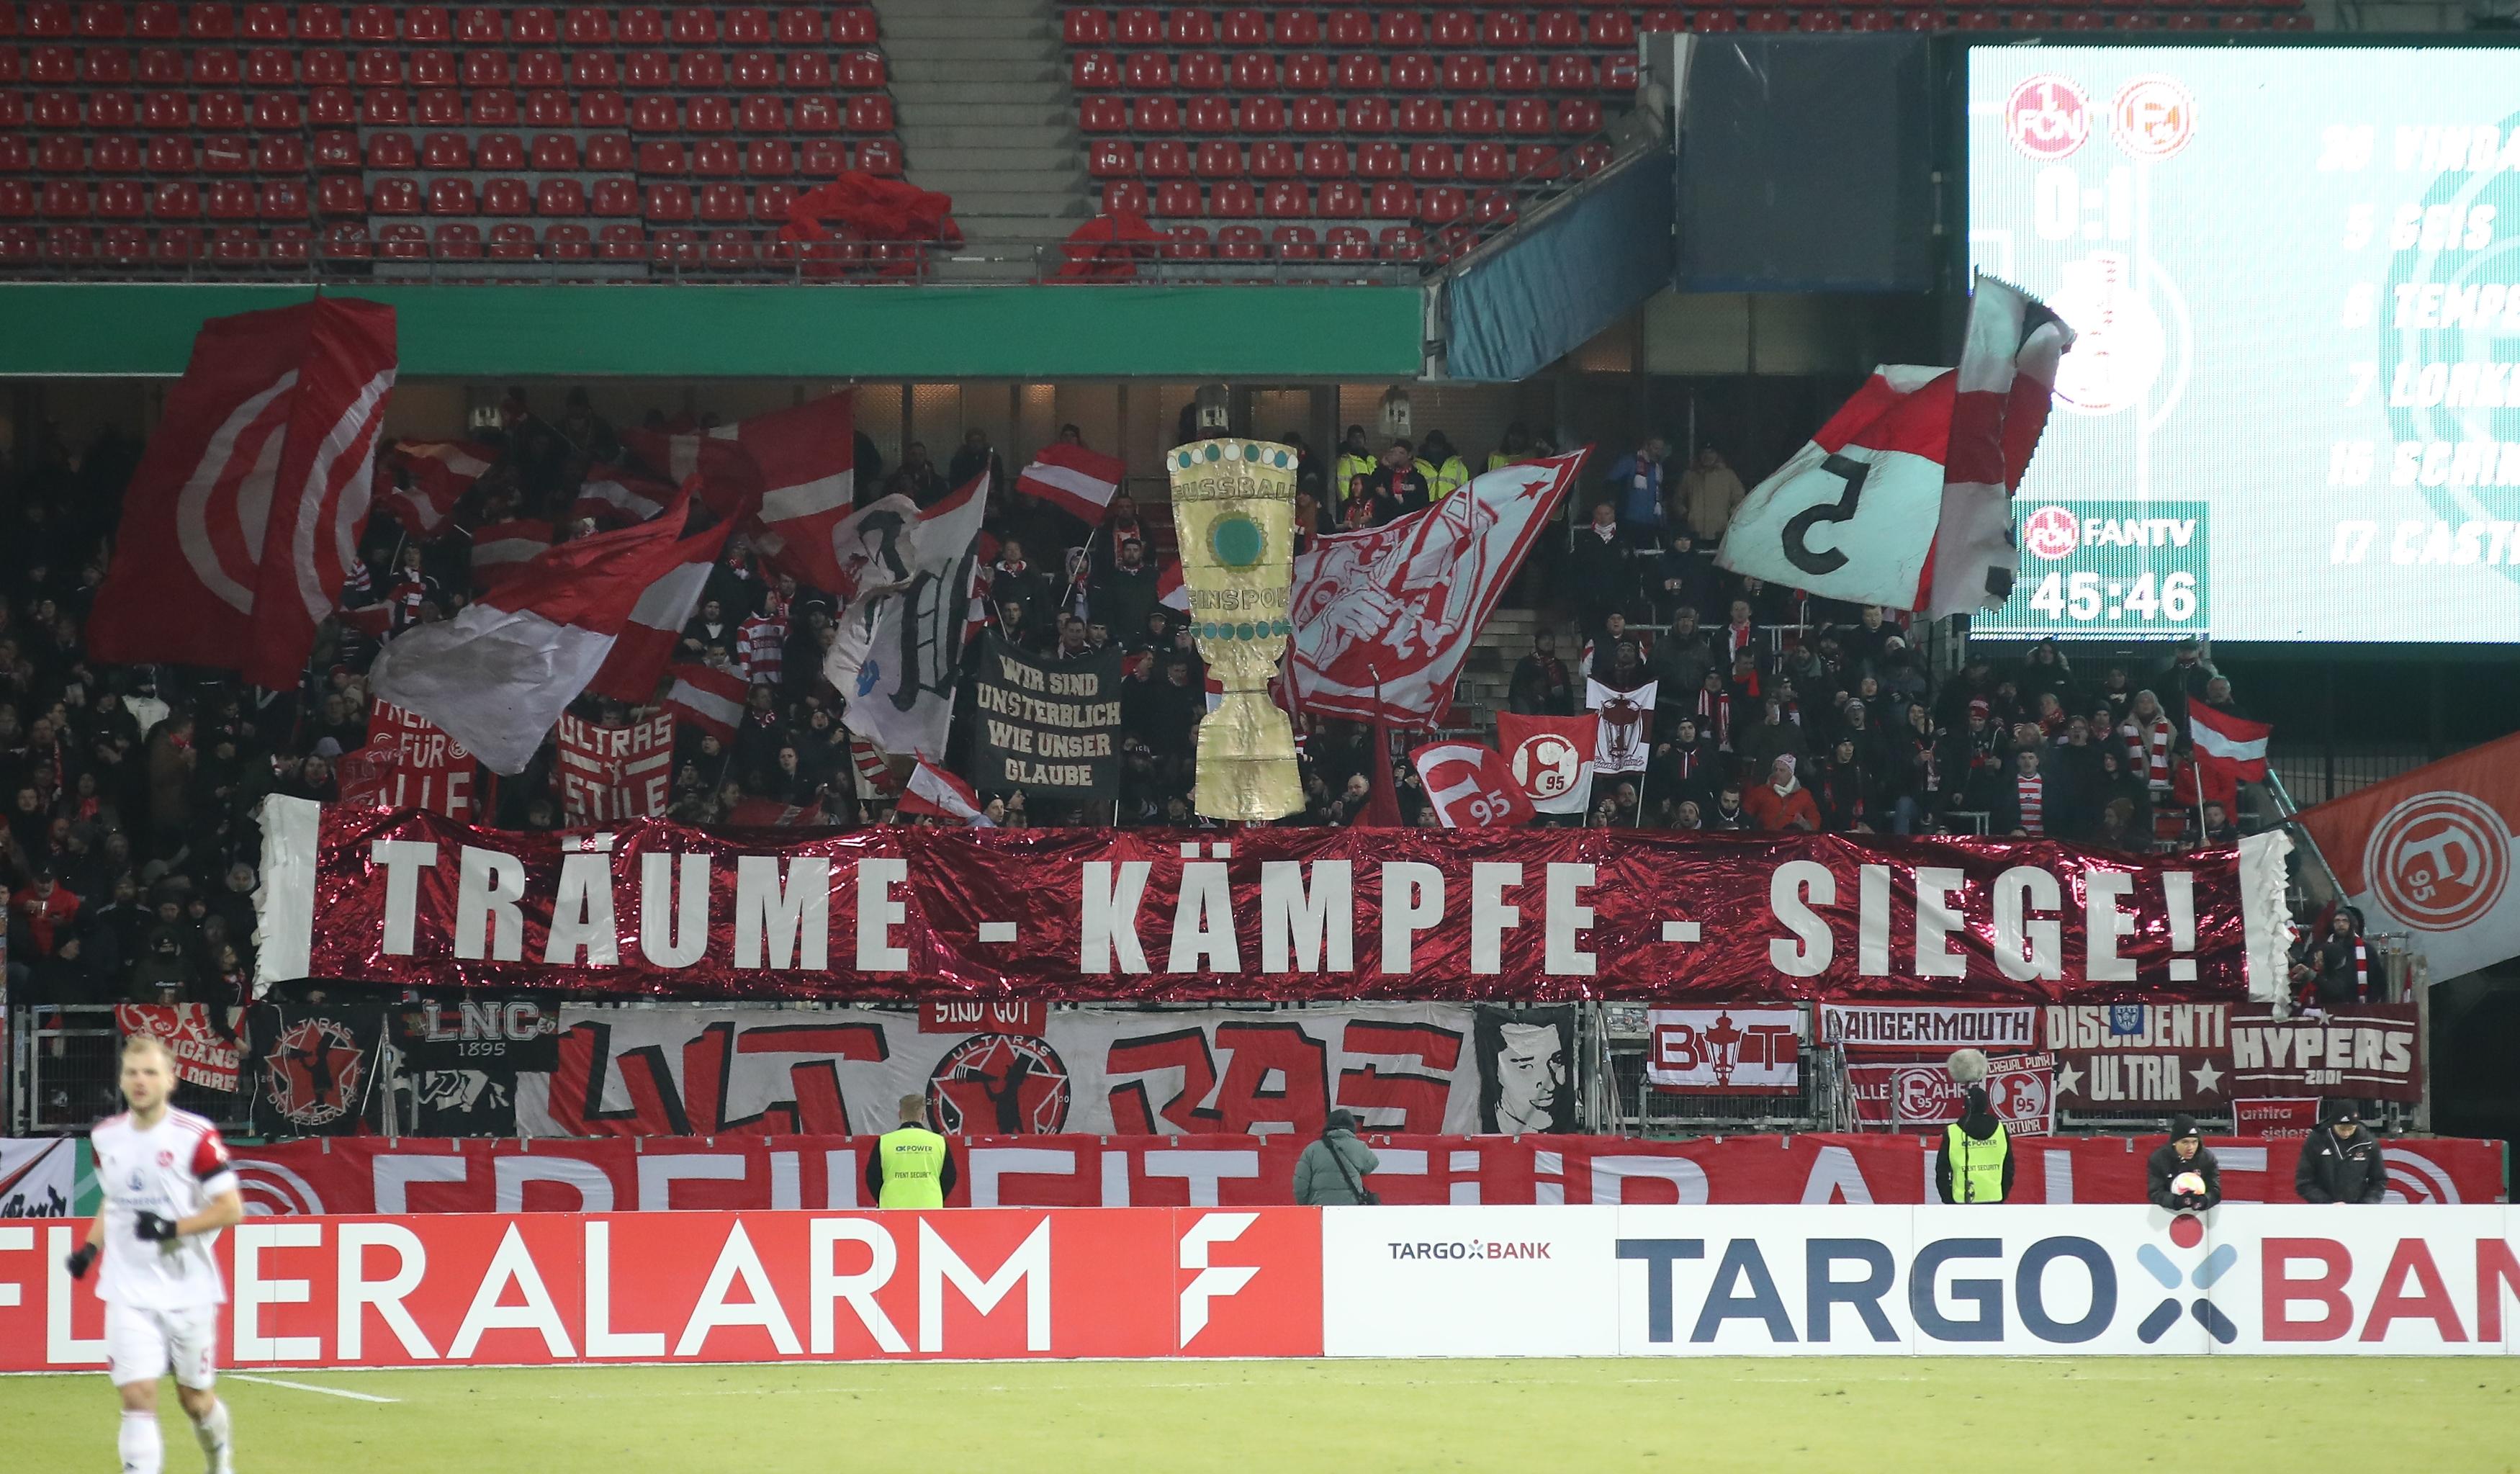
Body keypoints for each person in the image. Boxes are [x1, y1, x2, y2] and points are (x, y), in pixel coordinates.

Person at [66, 1035, 244, 1474]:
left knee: (195, 1400)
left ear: (171, 1080)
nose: (140, 1081)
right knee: (137, 1395)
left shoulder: (195, 1136)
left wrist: (171, 1227)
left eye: (150, 1072)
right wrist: (90, 1248)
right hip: (128, 1289)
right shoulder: (106, 1138)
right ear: (122, 1080)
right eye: (132, 1072)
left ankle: (219, 1460)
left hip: (189, 1289)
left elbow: (231, 1208)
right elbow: (114, 1200)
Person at [1934, 1049, 2014, 1204]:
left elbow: (1941, 1171)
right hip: (1994, 1199)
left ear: (1966, 1106)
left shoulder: (1953, 1132)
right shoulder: (2000, 1130)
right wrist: (2002, 1194)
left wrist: (1948, 1199)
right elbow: (2009, 1169)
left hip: (1961, 1201)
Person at [864, 1092, 958, 1208]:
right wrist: (935, 1195)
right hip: (930, 1208)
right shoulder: (939, 1142)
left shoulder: (884, 1142)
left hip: (892, 1209)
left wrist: (885, 1197)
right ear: (923, 1116)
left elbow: (872, 1178)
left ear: (900, 1115)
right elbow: (949, 1177)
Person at [2293, 1100, 2388, 1203]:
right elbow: (2304, 1181)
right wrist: (2327, 1203)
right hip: (2323, 1209)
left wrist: (2367, 1204)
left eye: (2351, 1128)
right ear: (2333, 1124)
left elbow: (2379, 1180)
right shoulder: (2316, 1140)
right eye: (2342, 1129)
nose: (2346, 1133)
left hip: (2358, 1210)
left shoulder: (2368, 1142)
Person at [1292, 1109, 1380, 1205]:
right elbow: (1371, 1166)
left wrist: (1307, 1206)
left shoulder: (1312, 1149)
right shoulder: (1360, 1147)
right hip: (1351, 1207)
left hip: (1320, 1208)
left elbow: (1300, 1185)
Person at [2146, 1115, 2222, 1211]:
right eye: (2185, 1142)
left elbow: (2215, 1191)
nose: (2190, 1147)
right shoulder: (2159, 1159)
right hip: (2166, 1214)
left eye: (2195, 1142)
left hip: (2202, 1215)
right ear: (2174, 1142)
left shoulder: (2207, 1159)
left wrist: (2204, 1200)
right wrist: (2176, 1201)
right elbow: (2155, 1193)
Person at [1676, 446, 1746, 544]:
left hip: (1720, 530)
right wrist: (1686, 515)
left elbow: (1739, 498)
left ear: (1718, 455)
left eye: (1711, 452)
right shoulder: (1690, 476)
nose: (1707, 456)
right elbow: (1678, 499)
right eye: (1704, 452)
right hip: (1694, 531)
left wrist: (1731, 515)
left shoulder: (1729, 476)